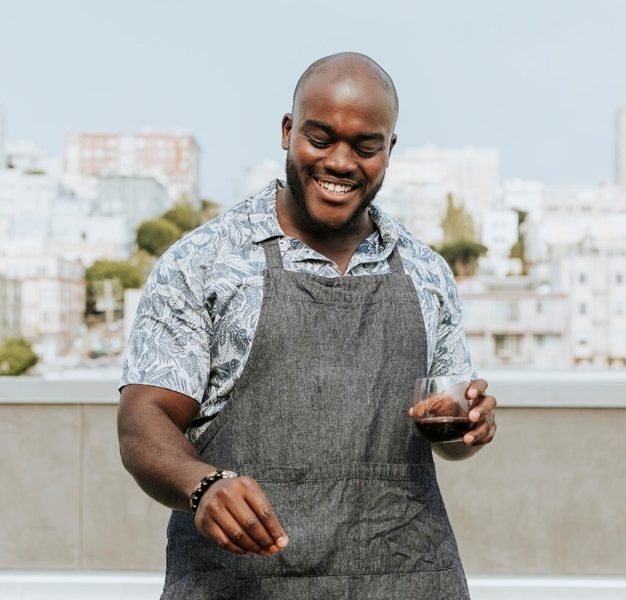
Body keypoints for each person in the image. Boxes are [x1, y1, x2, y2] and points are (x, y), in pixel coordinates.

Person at [118, 52, 497, 599]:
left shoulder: (426, 271)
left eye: (365, 146)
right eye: (320, 139)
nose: (341, 162)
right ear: (287, 132)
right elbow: (142, 419)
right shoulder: (202, 262)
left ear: (389, 151)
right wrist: (200, 486)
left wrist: (468, 426)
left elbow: (451, 433)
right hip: (239, 585)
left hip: (409, 581)